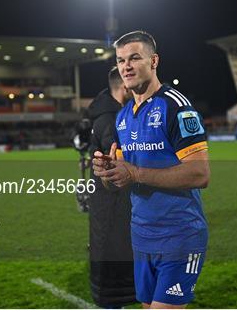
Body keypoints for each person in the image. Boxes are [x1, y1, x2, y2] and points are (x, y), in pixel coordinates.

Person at [92, 31, 211, 309]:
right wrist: (108, 172)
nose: (126, 66)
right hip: (141, 236)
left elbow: (200, 174)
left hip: (179, 235)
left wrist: (134, 173)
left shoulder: (177, 108)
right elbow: (119, 182)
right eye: (121, 60)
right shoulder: (123, 117)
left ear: (154, 61)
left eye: (135, 58)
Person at [87, 67, 135, 308]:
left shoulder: (105, 114)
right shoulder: (111, 119)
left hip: (108, 202)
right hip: (112, 203)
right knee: (114, 259)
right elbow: (114, 165)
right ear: (124, 86)